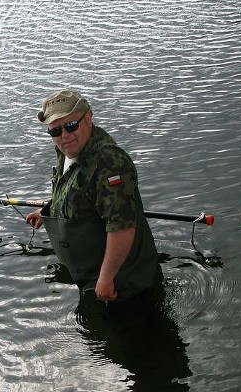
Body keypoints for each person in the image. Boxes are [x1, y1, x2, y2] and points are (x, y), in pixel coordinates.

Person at [26, 90, 162, 310]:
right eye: (55, 130)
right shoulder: (67, 149)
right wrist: (47, 211)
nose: (64, 135)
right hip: (92, 278)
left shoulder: (109, 163)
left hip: (124, 286)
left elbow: (122, 228)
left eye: (71, 125)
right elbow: (75, 191)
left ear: (88, 118)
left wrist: (106, 279)